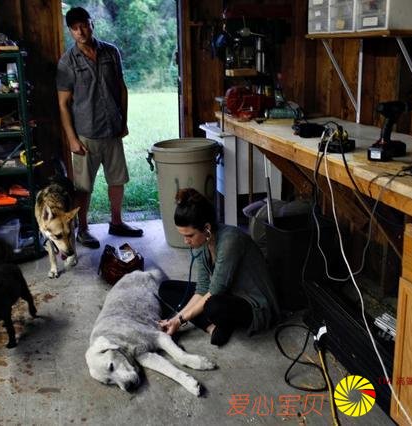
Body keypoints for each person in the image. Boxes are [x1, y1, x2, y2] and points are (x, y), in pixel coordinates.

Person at [57, 6, 143, 249]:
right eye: (75, 28)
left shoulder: (111, 52)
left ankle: (116, 222)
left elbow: (122, 88)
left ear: (91, 24)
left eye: (83, 25)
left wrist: (123, 121)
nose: (80, 32)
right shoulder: (67, 62)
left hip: (112, 129)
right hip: (86, 134)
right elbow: (63, 104)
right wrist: (72, 139)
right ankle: (83, 229)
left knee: (117, 179)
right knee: (83, 186)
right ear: (71, 31)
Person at [158, 188, 280, 347]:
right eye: (183, 235)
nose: (186, 241)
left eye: (189, 235)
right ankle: (213, 327)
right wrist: (175, 319)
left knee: (213, 306)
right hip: (226, 293)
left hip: (253, 304)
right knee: (166, 288)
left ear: (207, 228)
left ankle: (221, 323)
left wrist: (180, 320)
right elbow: (203, 288)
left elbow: (215, 290)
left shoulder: (231, 240)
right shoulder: (202, 242)